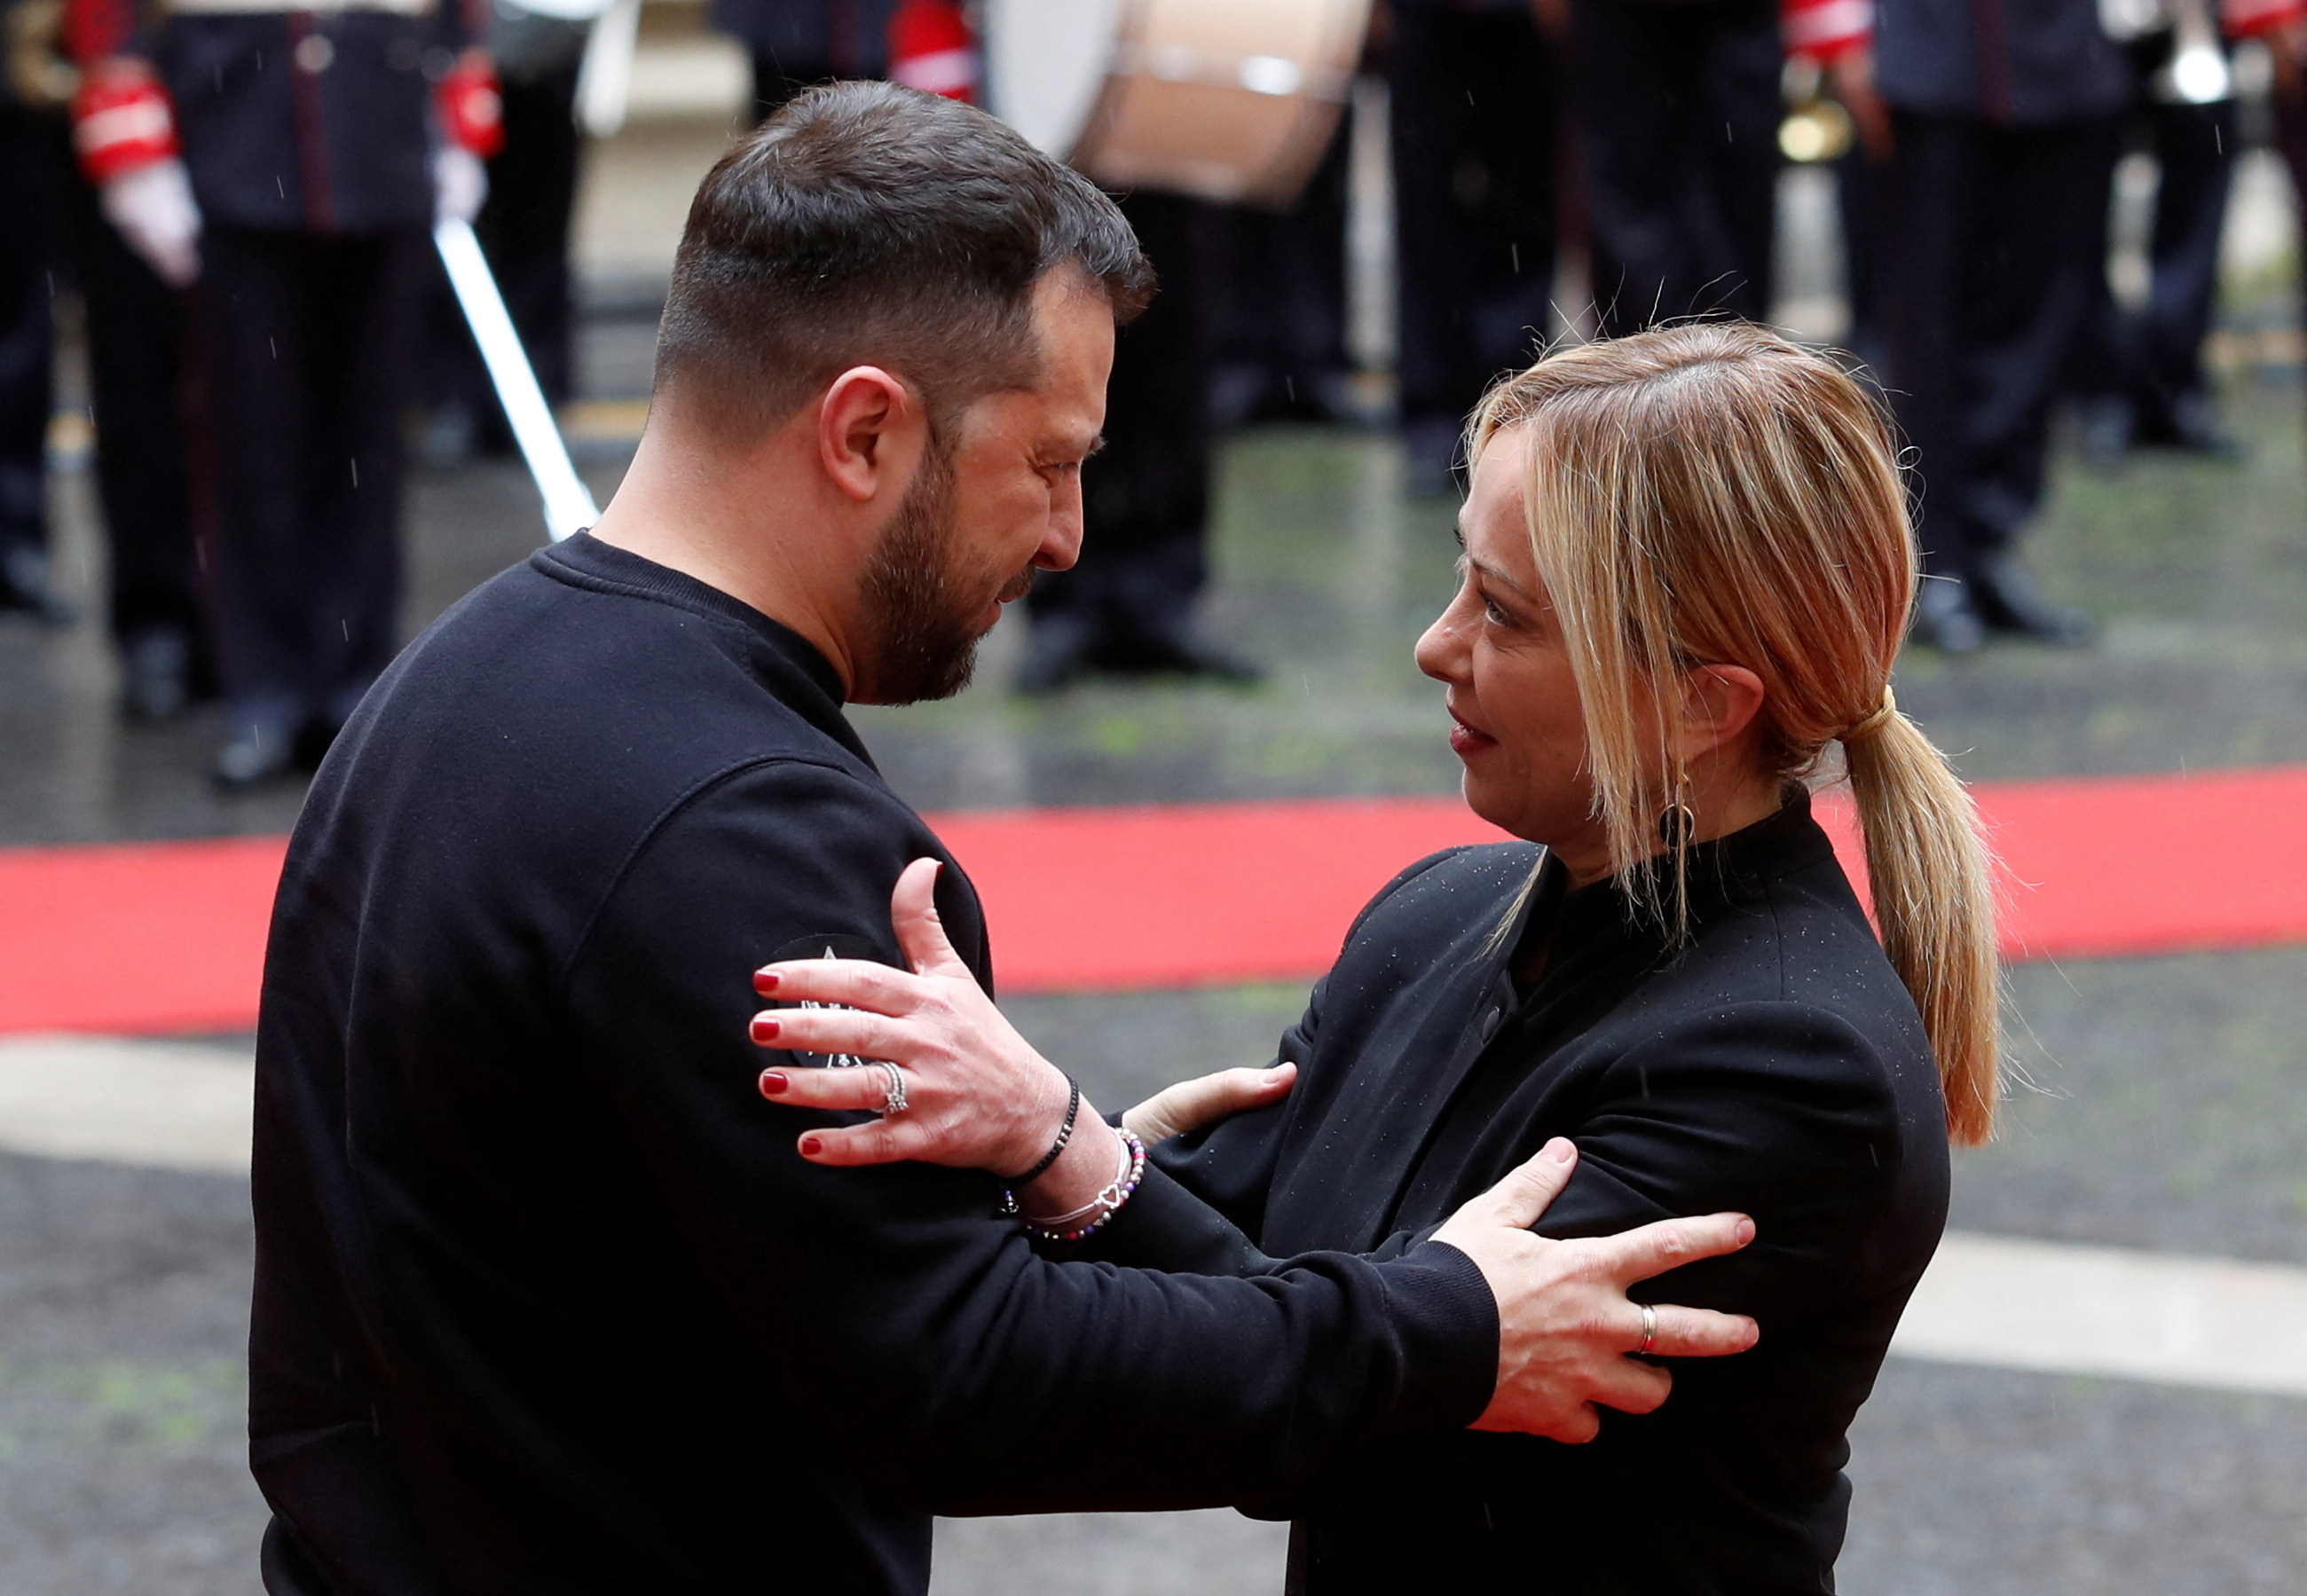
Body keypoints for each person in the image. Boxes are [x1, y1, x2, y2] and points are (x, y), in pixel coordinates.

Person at [247, 83, 1763, 1595]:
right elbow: (958, 1374)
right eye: (1046, 461)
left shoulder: (453, 685)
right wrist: (1449, 1330)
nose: (1066, 535)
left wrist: (1072, 1162)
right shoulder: (748, 826)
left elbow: (695, 1237)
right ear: (863, 431)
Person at [753, 322, 1993, 1593]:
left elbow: (1343, 1418)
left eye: (1504, 613)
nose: (1434, 645)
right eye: (1463, 578)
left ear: (1701, 702)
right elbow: (1251, 1287)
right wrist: (1079, 1163)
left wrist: (1063, 1145)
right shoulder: (1438, 915)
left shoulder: (1786, 1060)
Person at [61, 0, 505, 782]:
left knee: (369, 449)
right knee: (248, 447)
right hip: (235, 115)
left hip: (379, 115)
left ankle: (357, 685)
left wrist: (463, 111)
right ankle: (264, 691)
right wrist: (130, 137)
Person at [1386, 0, 1559, 493]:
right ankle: (1433, 413)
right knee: (1426, 205)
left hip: (1522, 17)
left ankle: (1516, 409)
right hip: (1428, 16)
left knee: (1523, 211)